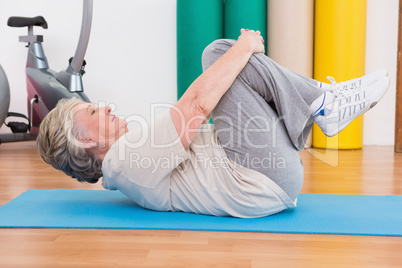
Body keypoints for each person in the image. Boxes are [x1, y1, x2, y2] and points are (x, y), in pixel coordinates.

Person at [36, 29, 389, 218]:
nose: (107, 108)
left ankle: (323, 103)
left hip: (259, 168)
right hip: (260, 176)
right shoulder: (126, 159)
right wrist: (246, 45)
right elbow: (196, 106)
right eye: (95, 114)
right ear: (84, 140)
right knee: (221, 54)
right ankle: (324, 103)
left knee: (224, 57)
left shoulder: (125, 166)